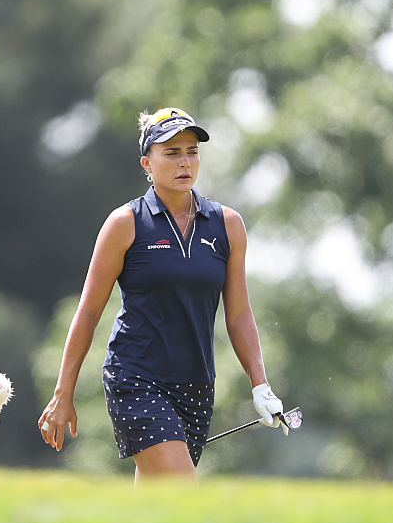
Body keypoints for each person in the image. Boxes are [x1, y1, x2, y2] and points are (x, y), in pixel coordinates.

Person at [37, 107, 285, 483]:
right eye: (171, 153)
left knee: (157, 511)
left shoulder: (227, 225)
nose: (184, 162)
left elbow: (238, 315)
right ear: (147, 163)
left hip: (197, 387)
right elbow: (87, 312)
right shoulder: (125, 223)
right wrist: (62, 393)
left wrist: (260, 383)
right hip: (136, 377)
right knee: (183, 495)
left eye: (191, 151)